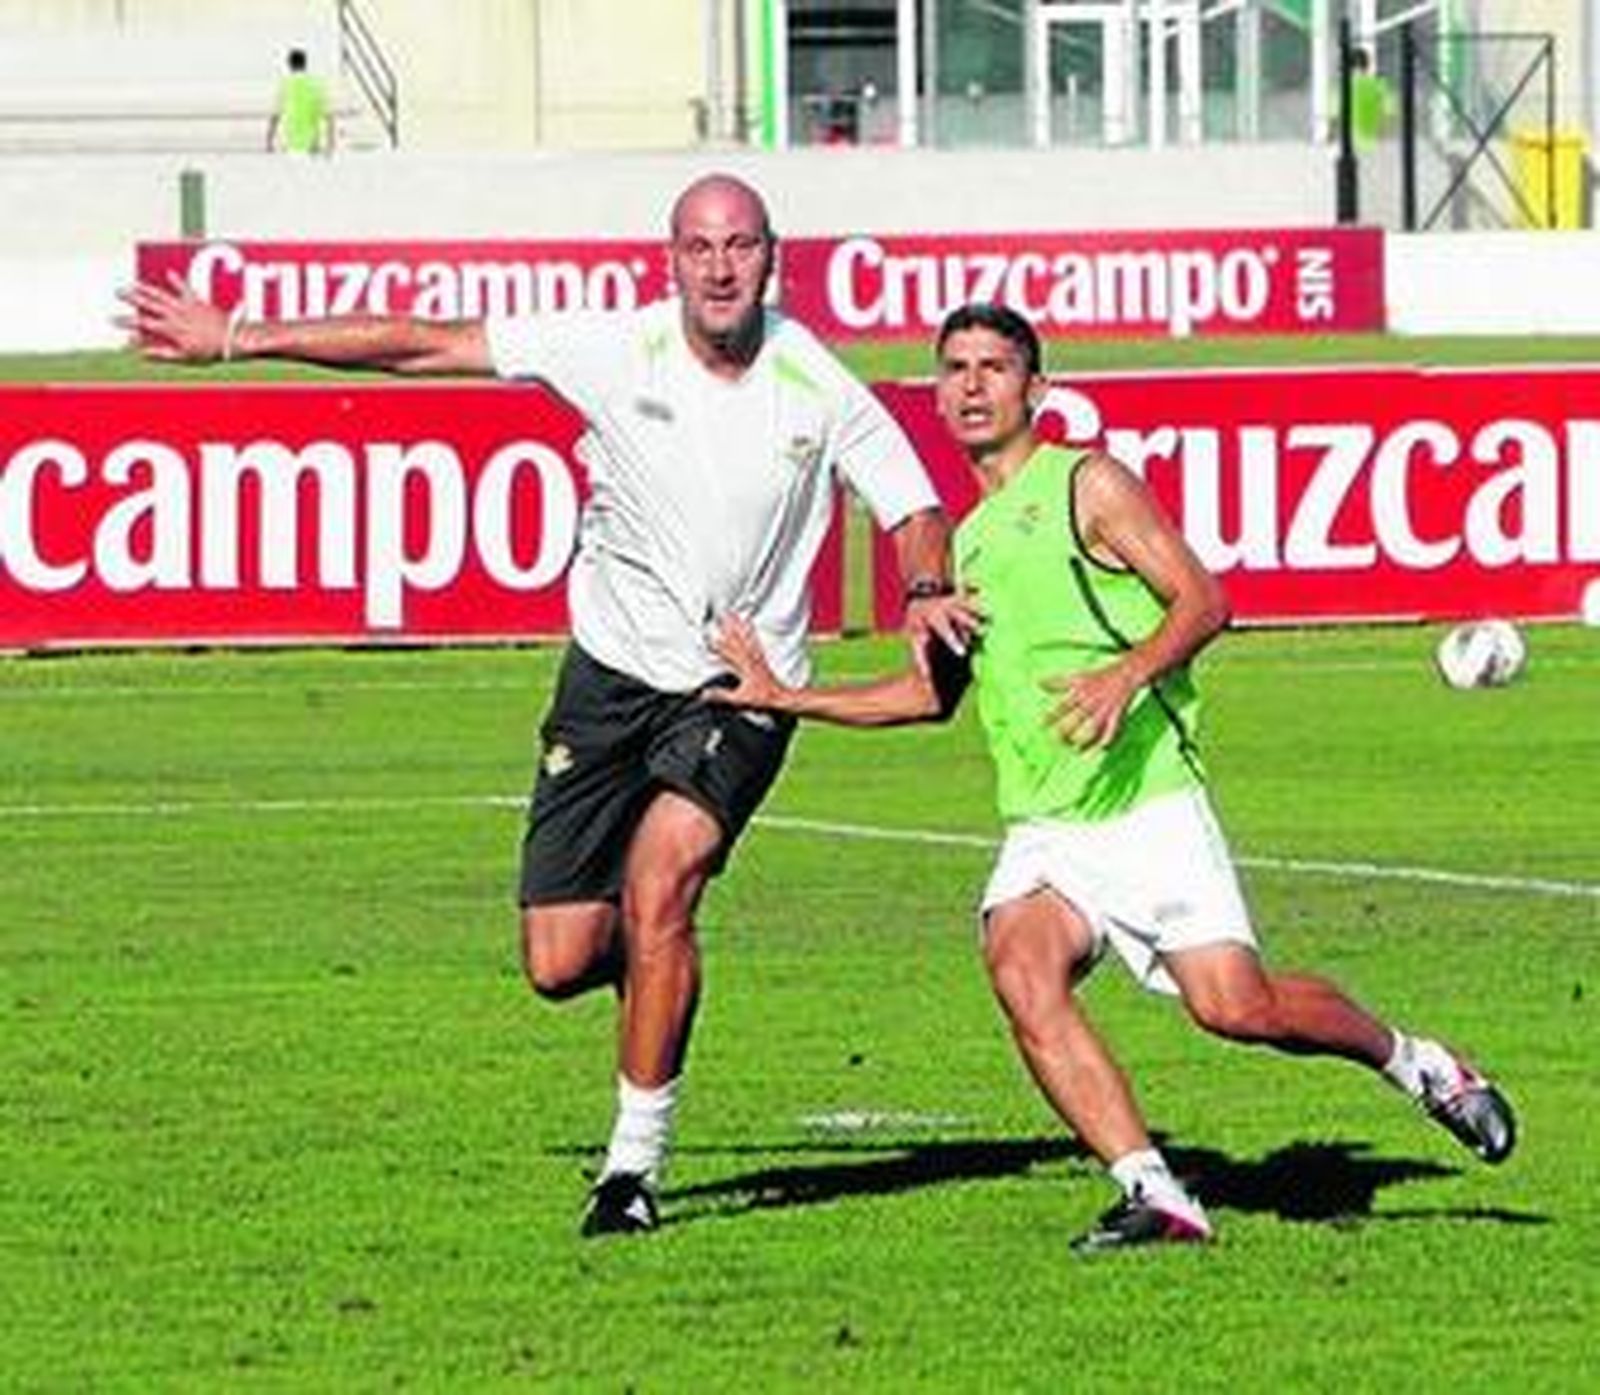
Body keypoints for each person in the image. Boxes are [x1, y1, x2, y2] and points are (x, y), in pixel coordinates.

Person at [118, 173, 972, 1237]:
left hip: (740, 685)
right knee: (561, 961)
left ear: (772, 257)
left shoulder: (816, 380)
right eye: (700, 247)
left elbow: (916, 508)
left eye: (740, 246)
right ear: (671, 258)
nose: (719, 267)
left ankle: (631, 1171)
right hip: (608, 678)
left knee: (662, 888)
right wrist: (239, 336)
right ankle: (661, 971)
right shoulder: (611, 347)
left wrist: (928, 589)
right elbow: (424, 344)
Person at [706, 302, 1516, 1252]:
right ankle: (1155, 1191)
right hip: (1049, 827)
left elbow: (1206, 599)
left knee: (1235, 1007)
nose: (971, 384)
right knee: (1019, 962)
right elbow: (930, 699)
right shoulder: (966, 546)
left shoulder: (1087, 484)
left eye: (994, 367)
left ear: (1035, 390)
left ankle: (1419, 1064)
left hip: (1145, 801)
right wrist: (782, 694)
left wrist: (1127, 674)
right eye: (955, 367)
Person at [267, 48, 334, 156]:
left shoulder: (285, 85)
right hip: (312, 144)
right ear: (305, 64)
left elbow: (275, 116)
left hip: (290, 143)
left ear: (290, 65)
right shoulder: (315, 84)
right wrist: (330, 144)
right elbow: (329, 116)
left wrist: (269, 141)